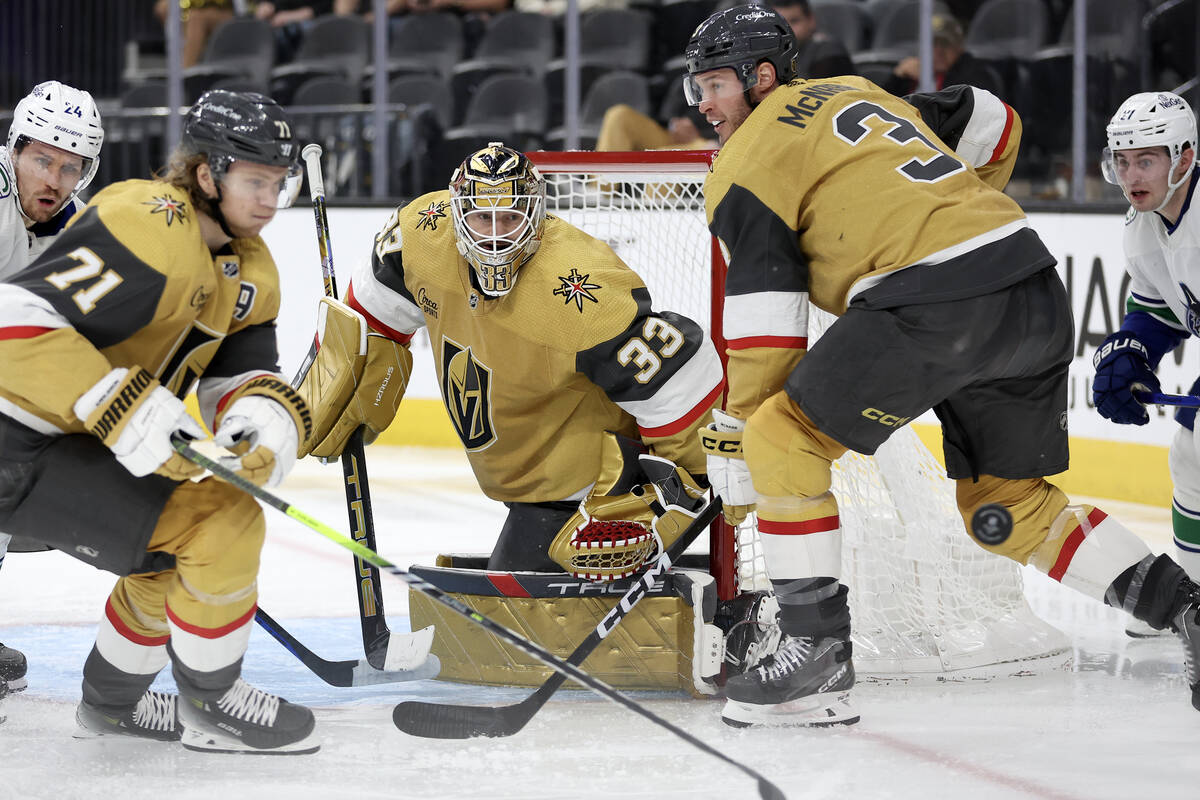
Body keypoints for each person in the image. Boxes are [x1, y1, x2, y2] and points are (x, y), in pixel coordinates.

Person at [683, 4, 1200, 727]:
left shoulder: (745, 164)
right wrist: (947, 209)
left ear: (761, 76)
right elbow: (995, 119)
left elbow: (767, 321)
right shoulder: (857, 91)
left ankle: (816, 654)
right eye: (697, 89)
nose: (703, 105)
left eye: (713, 85)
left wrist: (744, 432)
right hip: (1028, 283)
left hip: (930, 305)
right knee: (1008, 508)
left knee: (781, 438)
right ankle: (1186, 606)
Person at [0, 89, 319, 753]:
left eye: (278, 183)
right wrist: (121, 403)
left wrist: (261, 421)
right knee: (222, 523)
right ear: (207, 175)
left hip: (59, 450)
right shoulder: (147, 222)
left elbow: (238, 373)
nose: (268, 200)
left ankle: (113, 704)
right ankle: (213, 705)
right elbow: (15, 320)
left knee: (184, 540)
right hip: (16, 438)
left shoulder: (249, 267)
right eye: (254, 181)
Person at [296, 142, 724, 580]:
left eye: (511, 217)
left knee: (502, 613)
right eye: (483, 218)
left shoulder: (579, 287)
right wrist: (348, 363)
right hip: (529, 475)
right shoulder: (423, 232)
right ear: (457, 214)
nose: (497, 235)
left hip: (590, 489)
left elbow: (682, 375)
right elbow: (375, 312)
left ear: (536, 214)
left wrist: (678, 493)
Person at [0, 78, 105, 698]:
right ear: (14, 149)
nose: (55, 180)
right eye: (43, 160)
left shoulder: (80, 233)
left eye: (72, 167)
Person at [1093, 91, 1200, 590]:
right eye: (1122, 161)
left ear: (1184, 158)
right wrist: (1132, 351)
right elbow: (1159, 314)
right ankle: (1192, 597)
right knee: (1191, 455)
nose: (1131, 175)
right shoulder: (1142, 227)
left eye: (1146, 160)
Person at [881, 12, 1002, 98]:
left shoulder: (975, 74)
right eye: (932, 44)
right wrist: (897, 78)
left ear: (959, 47)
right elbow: (882, 109)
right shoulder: (911, 73)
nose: (938, 51)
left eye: (945, 43)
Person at [766, 0, 855, 79]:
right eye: (778, 23)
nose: (786, 30)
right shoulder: (767, 52)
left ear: (811, 20)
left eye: (794, 21)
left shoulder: (828, 53)